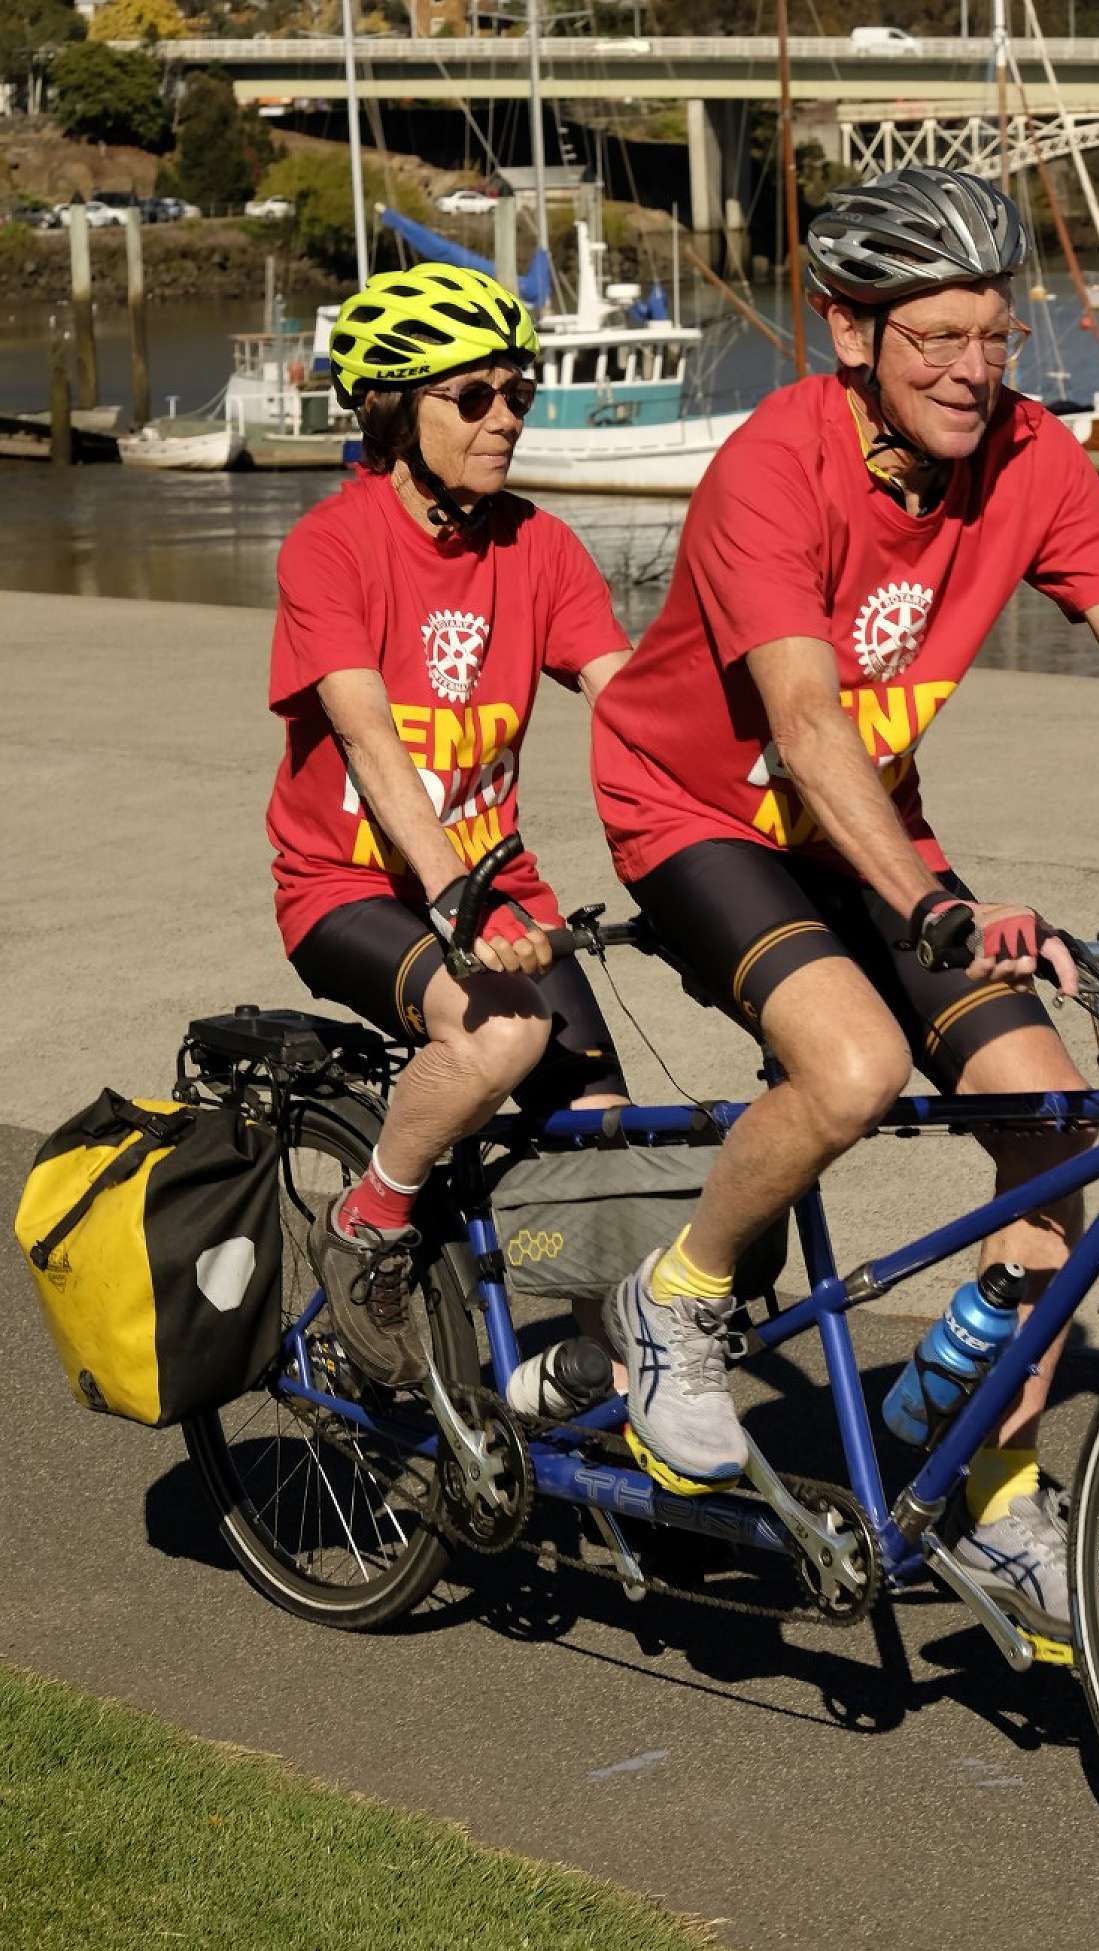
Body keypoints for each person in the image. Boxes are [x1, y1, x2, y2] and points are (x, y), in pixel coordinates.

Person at [589, 168, 1099, 1640]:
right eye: (935, 338)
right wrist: (932, 904)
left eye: (994, 335)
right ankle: (675, 1300)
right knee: (853, 1065)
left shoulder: (1031, 458)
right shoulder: (772, 466)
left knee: (1057, 1137)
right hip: (698, 811)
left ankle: (987, 1484)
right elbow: (803, 725)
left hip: (872, 826)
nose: (971, 369)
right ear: (851, 334)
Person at [266, 263, 632, 1389]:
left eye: (517, 393)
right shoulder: (332, 544)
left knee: (608, 1152)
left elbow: (631, 700)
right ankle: (367, 1223)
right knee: (499, 1037)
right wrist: (453, 893)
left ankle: (612, 1406)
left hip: (494, 892)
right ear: (393, 408)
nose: (505, 418)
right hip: (348, 887)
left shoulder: (540, 546)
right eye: (473, 396)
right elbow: (370, 740)